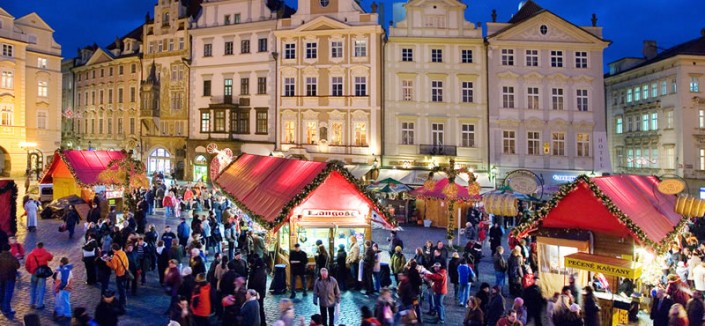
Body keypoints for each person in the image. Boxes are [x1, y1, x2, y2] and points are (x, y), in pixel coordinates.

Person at [25, 242, 54, 310]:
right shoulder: (45, 253)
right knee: (41, 289)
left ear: (36, 246)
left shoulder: (31, 254)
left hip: (34, 273)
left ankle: (32, 303)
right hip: (42, 275)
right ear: (42, 246)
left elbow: (27, 265)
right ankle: (39, 304)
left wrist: (31, 271)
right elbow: (51, 258)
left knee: (33, 288)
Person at [105, 244, 129, 314]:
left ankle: (122, 304)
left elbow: (114, 267)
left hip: (120, 274)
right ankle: (124, 301)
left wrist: (107, 262)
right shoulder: (123, 253)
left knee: (121, 290)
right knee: (123, 288)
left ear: (113, 249)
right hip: (125, 273)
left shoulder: (115, 256)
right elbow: (127, 262)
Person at [0, 245, 19, 319]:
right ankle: (7, 310)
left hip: (1, 278)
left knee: (1, 292)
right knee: (8, 294)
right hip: (10, 278)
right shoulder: (12, 257)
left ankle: (2, 306)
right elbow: (17, 266)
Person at [52, 257, 74, 321]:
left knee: (63, 302)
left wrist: (58, 288)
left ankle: (66, 315)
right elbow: (71, 279)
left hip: (63, 288)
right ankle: (65, 314)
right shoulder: (68, 270)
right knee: (65, 301)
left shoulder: (62, 271)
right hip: (67, 288)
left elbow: (60, 281)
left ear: (62, 262)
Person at [248, 255, 268, 325]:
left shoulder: (260, 272)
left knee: (259, 308)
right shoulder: (262, 270)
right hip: (260, 293)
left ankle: (262, 323)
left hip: (258, 293)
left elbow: (256, 283)